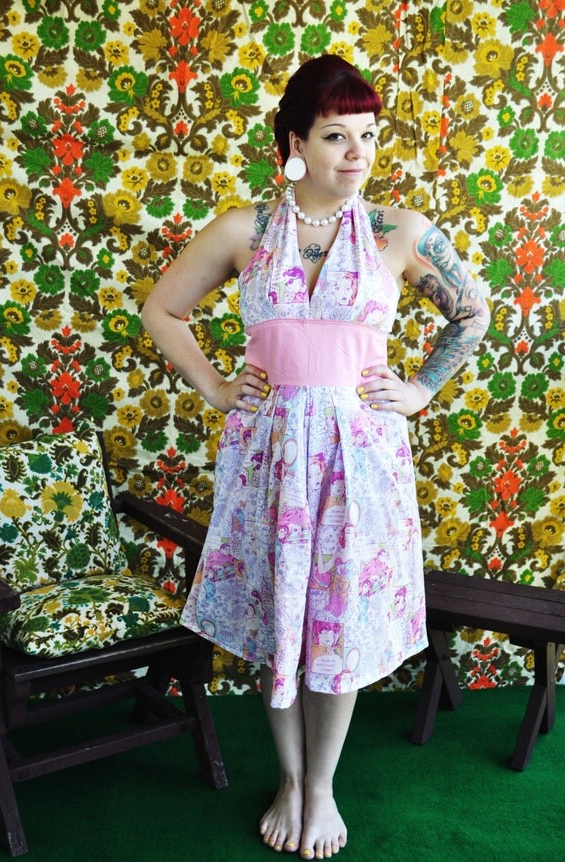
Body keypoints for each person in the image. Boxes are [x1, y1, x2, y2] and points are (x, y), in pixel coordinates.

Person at [142, 55, 490, 860]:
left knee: (338, 623)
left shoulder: (401, 232)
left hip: (359, 460)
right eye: (337, 135)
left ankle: (324, 786)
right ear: (295, 143)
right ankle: (291, 781)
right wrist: (216, 387)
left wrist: (421, 389)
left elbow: (471, 313)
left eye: (368, 134)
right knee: (279, 615)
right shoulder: (244, 230)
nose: (358, 152)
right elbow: (163, 309)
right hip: (267, 457)